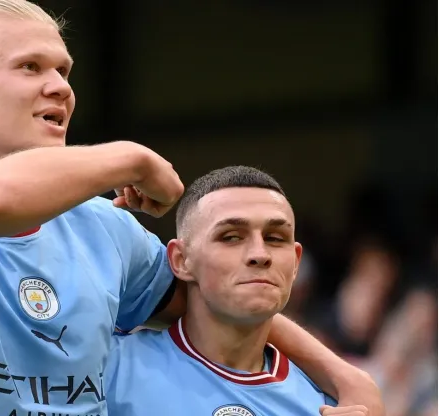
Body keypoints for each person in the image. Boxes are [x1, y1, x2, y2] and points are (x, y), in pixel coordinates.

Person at [0, 1, 383, 415]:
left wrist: (343, 377)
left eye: (64, 72)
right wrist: (129, 157)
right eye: (30, 67)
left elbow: (218, 296)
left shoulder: (105, 232)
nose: (60, 88)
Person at [105, 166, 371, 416]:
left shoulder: (327, 407)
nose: (260, 254)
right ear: (181, 261)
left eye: (275, 238)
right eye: (231, 237)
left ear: (296, 263)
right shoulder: (107, 368)